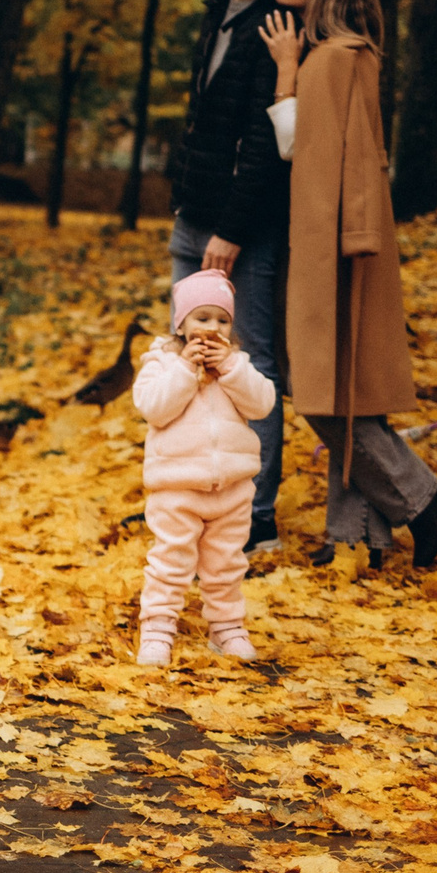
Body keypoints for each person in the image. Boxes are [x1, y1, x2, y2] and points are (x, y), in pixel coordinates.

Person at [260, 0, 437, 568]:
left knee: (321, 395)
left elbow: (298, 147)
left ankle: (419, 499)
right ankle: (356, 539)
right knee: (349, 392)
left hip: (332, 242)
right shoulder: (354, 53)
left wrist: (286, 70)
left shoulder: (331, 59)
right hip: (344, 236)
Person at [166, 0, 312, 562]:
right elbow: (204, 116)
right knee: (188, 361)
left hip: (241, 229)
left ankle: (257, 519)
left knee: (248, 364)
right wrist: (186, 205)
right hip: (193, 215)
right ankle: (202, 500)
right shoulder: (216, 14)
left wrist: (229, 230)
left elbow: (266, 143)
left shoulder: (277, 27)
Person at [132, 269, 279, 665]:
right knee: (170, 562)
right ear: (181, 323)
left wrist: (231, 369)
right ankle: (158, 629)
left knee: (226, 564)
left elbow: (263, 404)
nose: (212, 328)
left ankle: (227, 628)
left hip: (232, 488)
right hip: (177, 488)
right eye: (202, 318)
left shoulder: (238, 365)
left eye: (222, 320)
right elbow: (154, 409)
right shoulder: (162, 364)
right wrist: (184, 369)